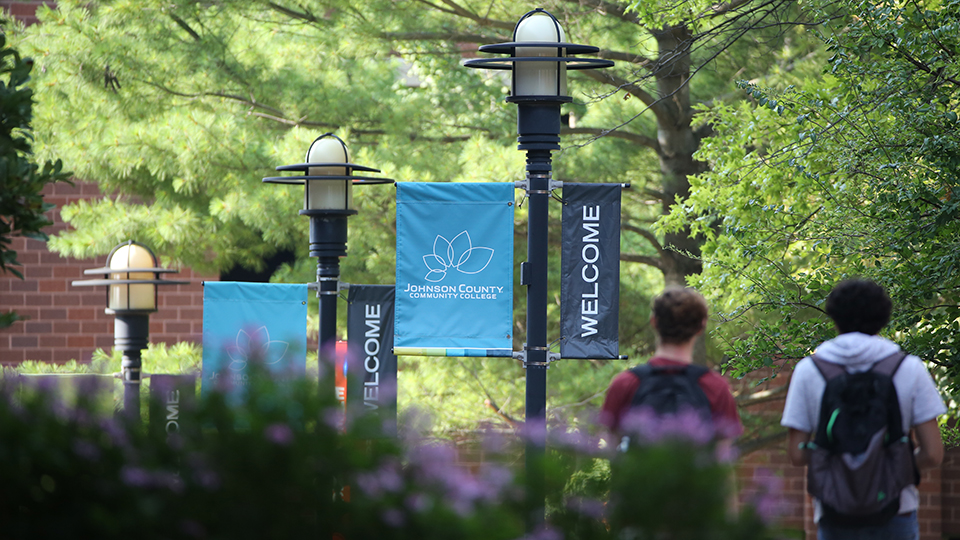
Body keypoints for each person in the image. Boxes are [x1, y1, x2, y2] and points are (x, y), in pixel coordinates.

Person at [781, 278, 946, 540]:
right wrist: (888, 469)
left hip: (835, 511)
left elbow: (797, 455)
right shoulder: (909, 368)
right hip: (897, 510)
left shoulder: (808, 371)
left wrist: (843, 468)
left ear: (833, 315)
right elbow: (933, 454)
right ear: (883, 316)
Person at [600, 286, 743, 443]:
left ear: (654, 322)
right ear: (701, 327)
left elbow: (612, 450)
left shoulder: (626, 383)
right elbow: (723, 456)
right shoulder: (715, 387)